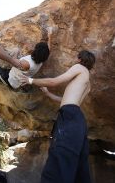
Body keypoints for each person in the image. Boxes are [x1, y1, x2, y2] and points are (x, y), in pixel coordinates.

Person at [21, 50, 95, 183]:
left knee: (58, 161)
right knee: (79, 168)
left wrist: (31, 80)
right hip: (78, 121)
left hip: (69, 117)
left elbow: (55, 82)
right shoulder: (87, 83)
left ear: (80, 59)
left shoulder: (79, 67)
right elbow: (68, 100)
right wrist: (48, 94)